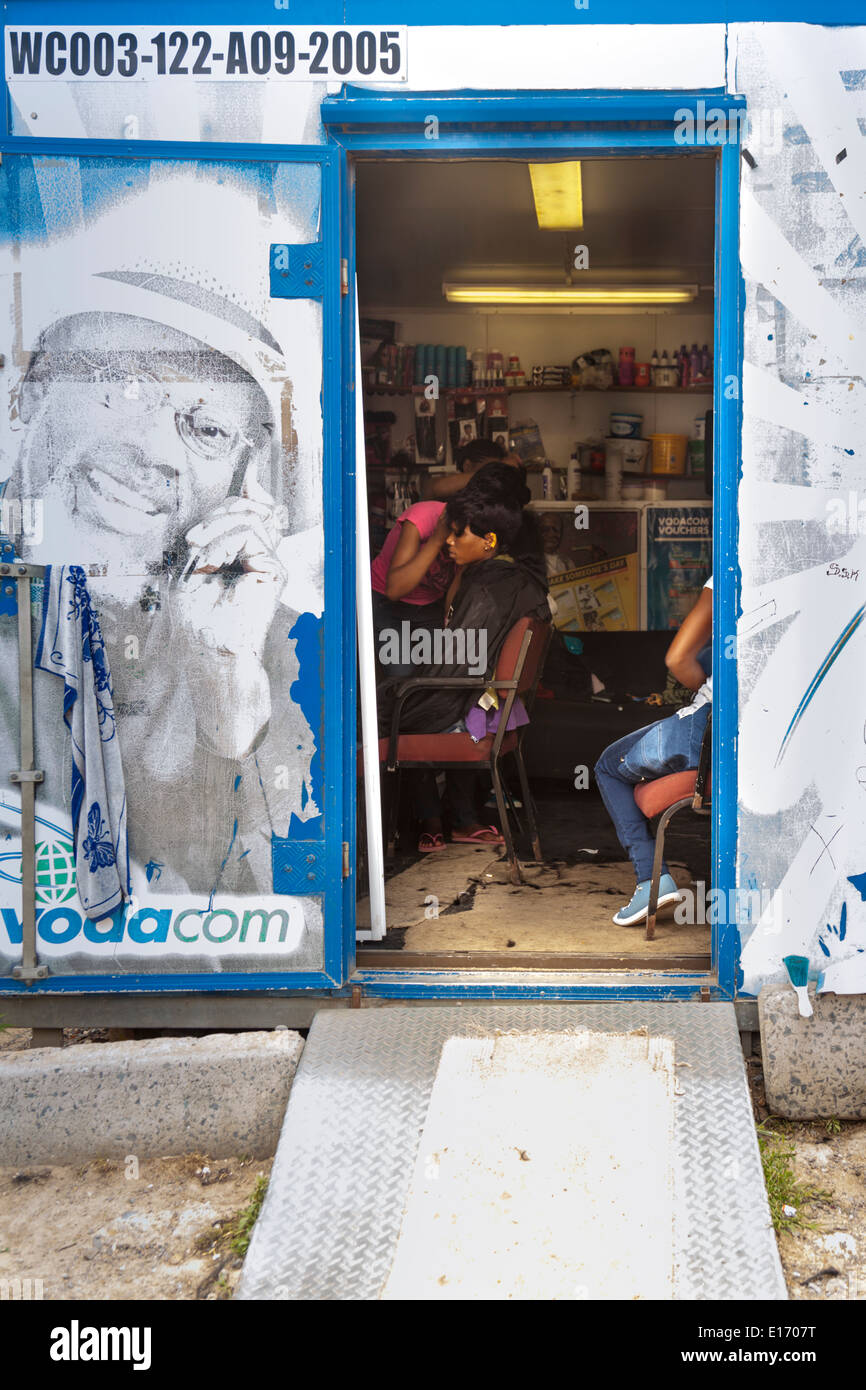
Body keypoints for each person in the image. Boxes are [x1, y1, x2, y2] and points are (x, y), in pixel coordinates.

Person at [1, 298, 321, 898]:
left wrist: (223, 674)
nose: (155, 450)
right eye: (123, 386)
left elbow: (273, 902)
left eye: (209, 431)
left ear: (243, 484)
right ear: (30, 394)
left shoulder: (272, 643)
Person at [380, 472, 549, 851]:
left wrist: (388, 700)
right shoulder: (507, 578)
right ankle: (449, 820)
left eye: (459, 535)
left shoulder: (488, 588)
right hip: (492, 707)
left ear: (489, 541)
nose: (449, 542)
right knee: (402, 697)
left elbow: (456, 665)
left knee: (383, 714)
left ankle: (418, 828)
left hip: (470, 703)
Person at [594, 576, 713, 926]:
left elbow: (678, 659)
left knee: (607, 766)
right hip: (752, 736)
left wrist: (707, 683)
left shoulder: (726, 574)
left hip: (705, 726)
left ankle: (651, 880)